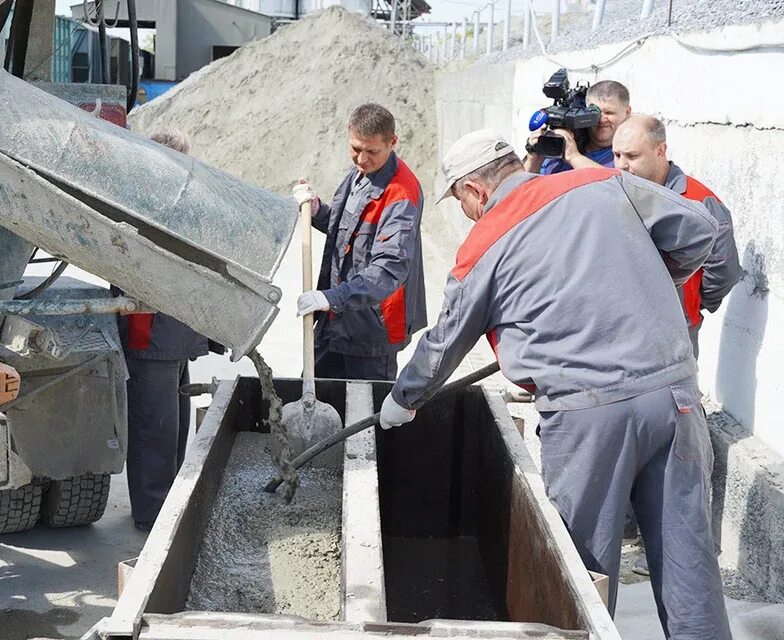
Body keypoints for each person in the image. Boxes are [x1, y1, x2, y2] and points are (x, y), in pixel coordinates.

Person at [379, 128, 731, 638]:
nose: (466, 215)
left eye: (460, 202)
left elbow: (444, 341)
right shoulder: (603, 184)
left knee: (581, 580)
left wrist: (403, 398)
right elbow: (700, 229)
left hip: (589, 416)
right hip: (674, 397)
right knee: (689, 568)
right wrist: (643, 284)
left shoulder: (485, 243)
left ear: (475, 190)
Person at [120, 127, 214, 532]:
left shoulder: (168, 200)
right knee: (154, 429)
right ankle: (153, 513)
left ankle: (165, 504)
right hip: (152, 332)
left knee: (172, 426)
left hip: (171, 334)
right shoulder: (143, 203)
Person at [292, 103, 426, 381]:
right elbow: (346, 230)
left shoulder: (401, 194)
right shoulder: (360, 174)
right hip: (337, 322)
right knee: (312, 396)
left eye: (372, 152)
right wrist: (317, 210)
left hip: (371, 332)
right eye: (355, 148)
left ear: (392, 143)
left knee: (364, 415)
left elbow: (388, 270)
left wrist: (331, 298)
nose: (362, 159)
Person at [614, 114, 742, 357]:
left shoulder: (698, 200)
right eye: (617, 155)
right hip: (624, 326)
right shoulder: (616, 192)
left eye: (632, 156)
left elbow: (724, 270)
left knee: (676, 395)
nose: (621, 165)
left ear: (660, 150)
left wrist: (692, 302)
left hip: (675, 331)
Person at [524, 79, 631, 174]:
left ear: (627, 112)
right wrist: (533, 160)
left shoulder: (628, 155)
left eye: (609, 113)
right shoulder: (560, 143)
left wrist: (574, 157)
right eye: (594, 113)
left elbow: (613, 187)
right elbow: (521, 191)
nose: (601, 120)